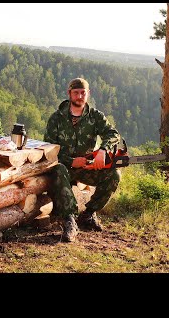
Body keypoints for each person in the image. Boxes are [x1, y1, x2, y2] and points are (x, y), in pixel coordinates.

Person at [44, 77, 121, 242]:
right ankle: (70, 220)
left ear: (88, 94)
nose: (79, 96)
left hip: (86, 168)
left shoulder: (95, 116)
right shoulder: (56, 118)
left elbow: (113, 134)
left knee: (114, 174)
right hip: (62, 168)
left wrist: (102, 151)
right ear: (69, 94)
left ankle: (88, 214)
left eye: (83, 93)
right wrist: (71, 161)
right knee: (58, 170)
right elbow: (48, 150)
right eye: (76, 92)